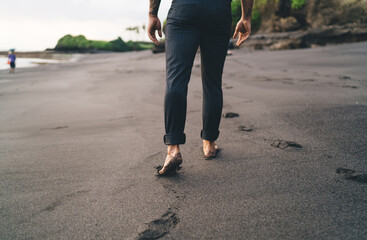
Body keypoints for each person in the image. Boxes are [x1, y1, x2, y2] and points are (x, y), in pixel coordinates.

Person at [148, 0, 253, 175]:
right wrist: (246, 17)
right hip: (219, 10)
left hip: (184, 9)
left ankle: (173, 148)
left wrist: (152, 14)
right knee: (212, 81)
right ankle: (209, 144)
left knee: (176, 80)